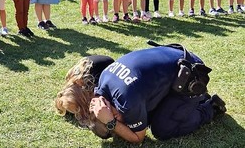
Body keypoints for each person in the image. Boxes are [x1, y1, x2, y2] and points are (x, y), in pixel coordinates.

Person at [55, 42, 227, 143]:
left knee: (162, 129)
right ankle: (191, 102)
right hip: (176, 57)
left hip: (190, 72)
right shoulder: (103, 82)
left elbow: (138, 138)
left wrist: (111, 124)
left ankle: (209, 107)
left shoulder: (126, 100)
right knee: (149, 113)